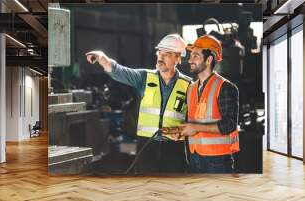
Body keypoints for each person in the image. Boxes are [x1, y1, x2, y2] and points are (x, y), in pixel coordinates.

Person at [85, 34, 192, 173]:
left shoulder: (189, 85)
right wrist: (101, 57)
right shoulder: (144, 78)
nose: (161, 57)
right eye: (160, 53)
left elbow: (195, 120)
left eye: (167, 54)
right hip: (146, 147)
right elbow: (119, 71)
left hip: (174, 150)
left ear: (178, 57)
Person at [179, 34, 240, 173]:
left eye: (195, 56)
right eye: (191, 56)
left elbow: (229, 125)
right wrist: (182, 131)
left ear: (208, 60)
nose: (190, 60)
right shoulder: (191, 88)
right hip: (194, 157)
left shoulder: (225, 87)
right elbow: (193, 120)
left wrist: (195, 127)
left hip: (217, 160)